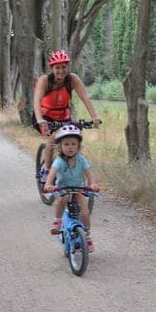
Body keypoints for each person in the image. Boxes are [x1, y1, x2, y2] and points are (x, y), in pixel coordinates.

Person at [32, 49, 102, 180]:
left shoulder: (72, 79)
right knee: (53, 139)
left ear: (67, 67)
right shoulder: (44, 81)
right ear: (52, 68)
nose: (61, 71)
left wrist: (94, 117)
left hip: (64, 116)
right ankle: (47, 171)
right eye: (57, 67)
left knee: (73, 138)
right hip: (44, 116)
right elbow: (36, 101)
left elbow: (85, 97)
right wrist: (40, 119)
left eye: (63, 67)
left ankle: (73, 169)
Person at [44, 123, 98, 251]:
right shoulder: (59, 161)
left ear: (78, 146)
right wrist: (48, 184)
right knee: (62, 200)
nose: (70, 147)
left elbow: (89, 174)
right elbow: (52, 174)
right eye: (66, 144)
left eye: (74, 144)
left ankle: (87, 236)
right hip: (62, 189)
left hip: (78, 189)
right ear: (60, 146)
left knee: (85, 213)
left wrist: (93, 184)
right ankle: (57, 221)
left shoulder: (81, 160)